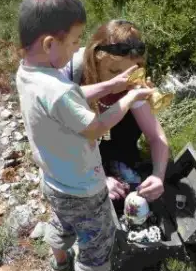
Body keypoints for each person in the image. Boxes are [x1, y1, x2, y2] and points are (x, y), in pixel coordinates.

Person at [15, 0, 153, 271]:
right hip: (82, 186)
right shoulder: (58, 90)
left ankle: (60, 263)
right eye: (75, 41)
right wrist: (129, 99)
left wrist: (112, 85)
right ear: (50, 44)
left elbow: (72, 97)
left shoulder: (29, 74)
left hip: (53, 179)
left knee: (62, 222)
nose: (78, 48)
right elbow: (95, 126)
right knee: (97, 238)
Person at [61, 19, 170, 203]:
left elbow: (155, 135)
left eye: (130, 73)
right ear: (95, 58)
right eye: (113, 71)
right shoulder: (71, 71)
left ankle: (116, 163)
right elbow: (61, 144)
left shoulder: (133, 81)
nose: (122, 81)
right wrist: (97, 178)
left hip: (108, 145)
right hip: (71, 151)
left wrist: (158, 176)